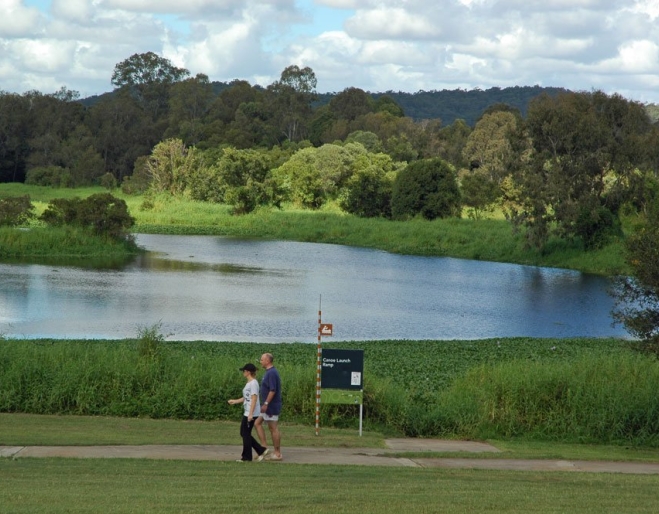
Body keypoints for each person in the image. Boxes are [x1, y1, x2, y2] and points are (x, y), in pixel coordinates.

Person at [227, 363, 267, 462]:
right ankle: (260, 450)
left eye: (244, 371)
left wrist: (250, 414)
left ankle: (247, 457)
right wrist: (235, 401)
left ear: (248, 372)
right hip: (248, 411)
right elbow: (247, 397)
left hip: (251, 412)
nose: (243, 373)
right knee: (244, 433)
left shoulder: (253, 383)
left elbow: (254, 398)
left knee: (245, 434)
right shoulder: (249, 383)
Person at [254, 352, 283, 461]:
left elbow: (273, 390)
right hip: (265, 406)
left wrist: (266, 403)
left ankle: (277, 453)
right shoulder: (267, 372)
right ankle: (264, 448)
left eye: (262, 360)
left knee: (273, 428)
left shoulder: (272, 373)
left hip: (271, 406)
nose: (260, 361)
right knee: (257, 423)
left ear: (267, 361)